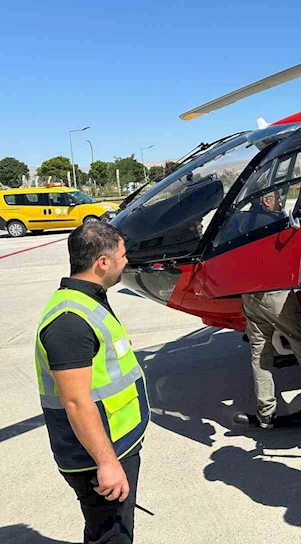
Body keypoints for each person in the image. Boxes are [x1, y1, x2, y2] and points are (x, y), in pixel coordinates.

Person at [36, 222, 150, 544]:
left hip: (115, 444)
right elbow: (75, 401)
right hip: (96, 457)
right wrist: (107, 463)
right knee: (111, 536)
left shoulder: (88, 299)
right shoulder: (69, 322)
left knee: (114, 530)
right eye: (122, 256)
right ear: (103, 262)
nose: (126, 262)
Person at [238, 192, 301, 426]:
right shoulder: (274, 223)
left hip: (250, 296)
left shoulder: (243, 220)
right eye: (277, 198)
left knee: (259, 353)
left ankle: (266, 411)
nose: (281, 203)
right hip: (276, 295)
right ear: (266, 201)